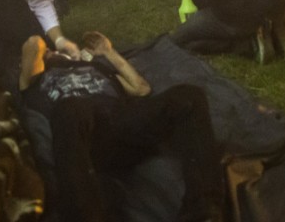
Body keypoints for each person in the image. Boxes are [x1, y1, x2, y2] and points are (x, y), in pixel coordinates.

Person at [19, 31, 224, 222]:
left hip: (125, 123)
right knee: (71, 108)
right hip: (87, 136)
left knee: (189, 96)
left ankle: (204, 209)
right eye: (49, 53)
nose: (54, 53)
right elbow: (33, 44)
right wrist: (59, 44)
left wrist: (108, 52)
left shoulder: (96, 68)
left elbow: (141, 89)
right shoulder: (38, 81)